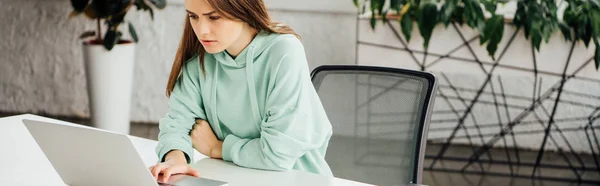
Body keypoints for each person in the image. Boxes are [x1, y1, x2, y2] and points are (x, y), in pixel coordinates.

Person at [148, 0, 333, 182]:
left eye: (214, 17)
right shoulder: (201, 61)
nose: (201, 30)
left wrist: (217, 148)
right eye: (193, 16)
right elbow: (177, 125)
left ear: (243, 9)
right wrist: (174, 160)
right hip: (233, 178)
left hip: (296, 180)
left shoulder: (284, 51)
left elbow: (278, 154)